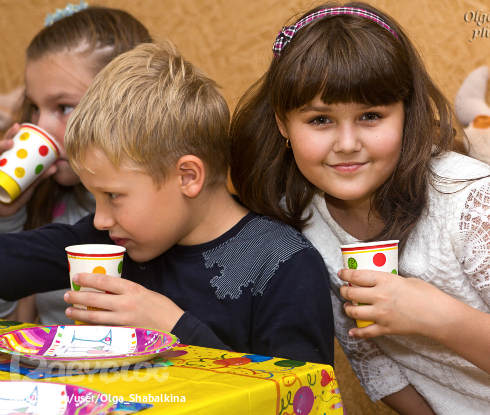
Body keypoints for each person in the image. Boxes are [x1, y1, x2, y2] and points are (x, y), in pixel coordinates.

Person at [229, 2, 490, 414]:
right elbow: (375, 365)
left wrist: (437, 316)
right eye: (320, 120)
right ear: (283, 122)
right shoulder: (298, 220)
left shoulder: (473, 198)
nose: (347, 143)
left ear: (407, 114)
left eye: (371, 116)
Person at [0, 41, 334, 366]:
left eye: (113, 195)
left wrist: (175, 328)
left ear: (188, 177)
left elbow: (301, 394)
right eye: (95, 197)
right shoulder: (111, 244)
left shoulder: (284, 265)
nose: (100, 219)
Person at [0, 5, 151, 325]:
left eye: (63, 107)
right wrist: (9, 218)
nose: (39, 126)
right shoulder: (50, 203)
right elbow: (17, 327)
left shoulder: (151, 219)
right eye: (34, 107)